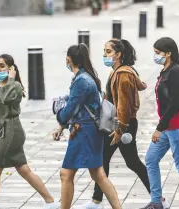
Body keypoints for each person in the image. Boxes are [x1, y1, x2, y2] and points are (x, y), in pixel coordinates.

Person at [78, 39, 169, 209]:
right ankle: (158, 198)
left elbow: (124, 107)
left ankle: (98, 201)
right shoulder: (117, 71)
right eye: (104, 51)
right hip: (120, 123)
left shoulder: (122, 74)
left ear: (118, 54)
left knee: (113, 160)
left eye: (108, 52)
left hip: (121, 124)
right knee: (123, 161)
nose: (104, 55)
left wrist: (120, 129)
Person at [0, 54, 60, 209]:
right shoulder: (2, 85)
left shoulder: (15, 86)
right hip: (8, 130)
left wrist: (11, 79)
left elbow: (6, 100)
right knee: (24, 170)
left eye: (2, 65)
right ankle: (50, 202)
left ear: (11, 68)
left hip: (12, 131)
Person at [52, 43, 121, 209]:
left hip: (84, 132)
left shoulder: (82, 81)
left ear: (69, 59)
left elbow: (69, 110)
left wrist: (58, 113)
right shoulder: (85, 77)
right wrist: (61, 126)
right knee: (98, 174)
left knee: (66, 174)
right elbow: (78, 106)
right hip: (89, 130)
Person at [140, 37, 179, 209]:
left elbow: (174, 103)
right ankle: (156, 201)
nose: (155, 56)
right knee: (151, 159)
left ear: (169, 53)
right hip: (169, 126)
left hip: (178, 125)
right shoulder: (166, 70)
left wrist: (159, 128)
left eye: (158, 53)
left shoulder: (176, 71)